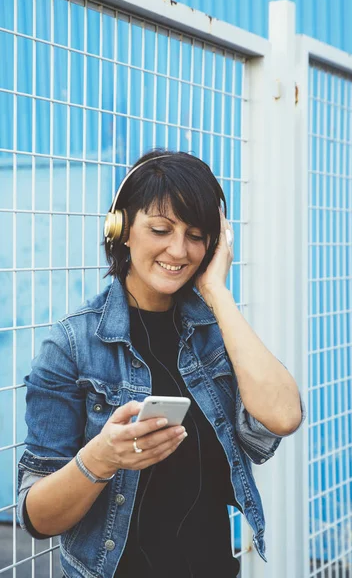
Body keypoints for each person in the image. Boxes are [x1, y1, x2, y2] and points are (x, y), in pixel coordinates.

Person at [18, 150, 304, 578]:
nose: (179, 250)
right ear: (122, 229)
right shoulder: (72, 346)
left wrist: (217, 292)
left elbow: (283, 417)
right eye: (160, 229)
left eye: (195, 234)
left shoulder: (216, 331)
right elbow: (36, 516)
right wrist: (102, 458)